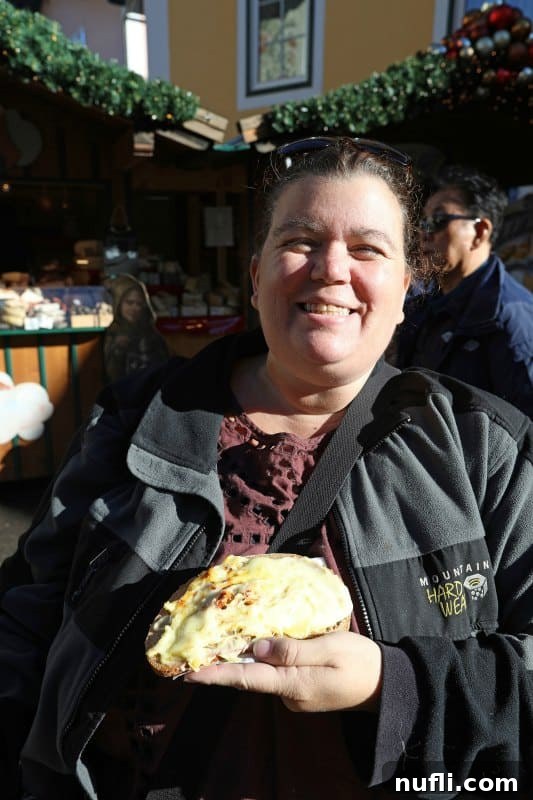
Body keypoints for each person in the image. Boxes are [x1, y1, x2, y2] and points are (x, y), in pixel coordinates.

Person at [0, 137, 532, 800]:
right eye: (300, 240)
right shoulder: (132, 421)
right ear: (255, 277)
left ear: (404, 289)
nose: (330, 268)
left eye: (367, 248)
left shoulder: (485, 452)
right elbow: (25, 617)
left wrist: (391, 683)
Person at [391, 164, 533, 417]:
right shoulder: (420, 303)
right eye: (422, 222)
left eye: (438, 221)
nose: (424, 234)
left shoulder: (511, 320)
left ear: (480, 232)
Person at [103, 274, 171, 383]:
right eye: (129, 303)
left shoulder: (152, 334)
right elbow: (111, 376)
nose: (134, 308)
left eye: (139, 304)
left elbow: (165, 366)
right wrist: (118, 351)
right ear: (119, 303)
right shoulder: (112, 333)